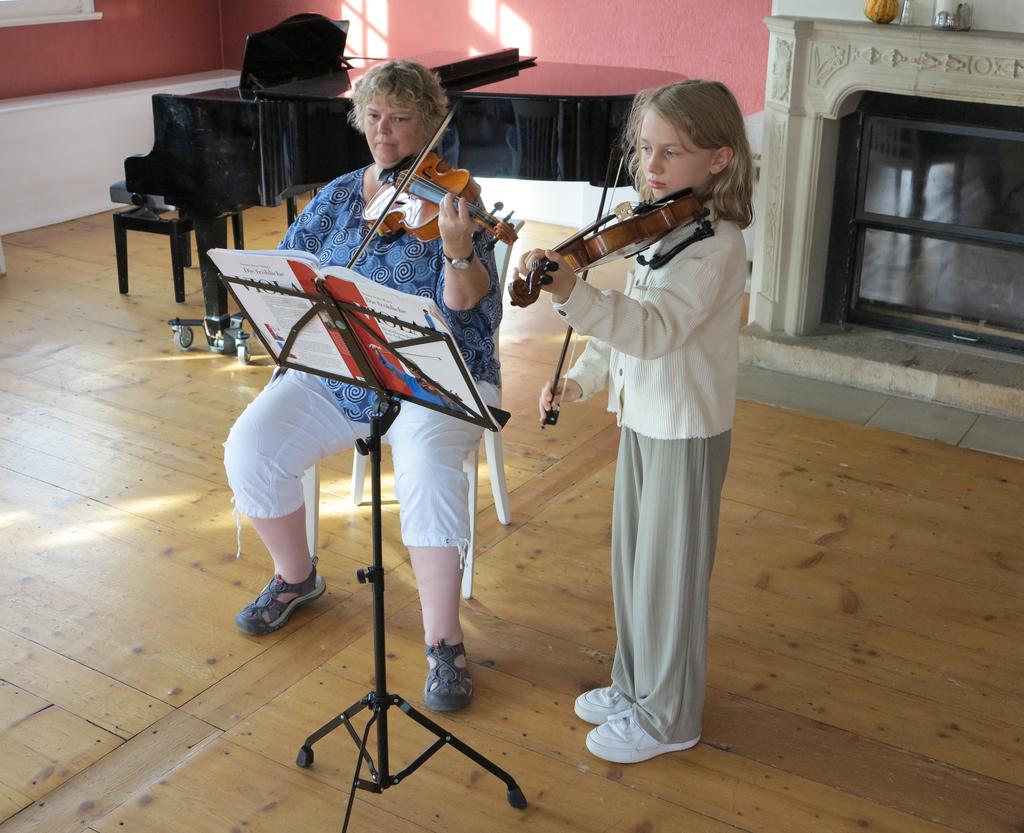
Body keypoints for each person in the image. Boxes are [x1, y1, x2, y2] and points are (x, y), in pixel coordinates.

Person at [223, 61, 502, 712]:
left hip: (428, 371)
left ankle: (443, 642)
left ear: (430, 125)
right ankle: (297, 578)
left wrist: (459, 252)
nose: (384, 130)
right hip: (341, 363)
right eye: (374, 116)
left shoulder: (459, 202)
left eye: (401, 118)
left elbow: (468, 309)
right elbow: (289, 265)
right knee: (250, 446)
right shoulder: (344, 192)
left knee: (428, 472)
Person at [516, 80, 754, 763]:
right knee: (633, 566)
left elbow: (651, 330)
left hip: (687, 428)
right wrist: (580, 379)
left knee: (670, 578)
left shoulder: (715, 246)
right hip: (644, 420)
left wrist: (570, 292)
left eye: (671, 152)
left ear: (719, 159)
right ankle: (635, 684)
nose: (651, 166)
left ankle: (670, 714)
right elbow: (621, 333)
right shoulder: (662, 225)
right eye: (645, 149)